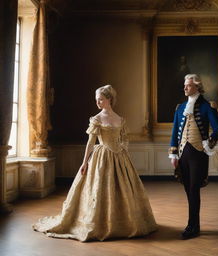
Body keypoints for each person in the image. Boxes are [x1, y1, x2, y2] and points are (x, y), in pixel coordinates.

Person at [33, 85, 157, 242]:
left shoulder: (120, 119)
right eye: (96, 100)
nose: (97, 102)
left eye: (100, 99)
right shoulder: (96, 119)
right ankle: (97, 223)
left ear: (109, 100)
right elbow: (90, 143)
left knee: (123, 190)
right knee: (98, 190)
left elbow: (125, 138)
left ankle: (124, 223)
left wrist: (122, 149)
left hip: (119, 157)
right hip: (101, 158)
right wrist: (84, 163)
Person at [169, 74, 218, 240]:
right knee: (187, 188)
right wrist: (173, 153)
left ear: (197, 87)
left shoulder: (207, 106)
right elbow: (174, 132)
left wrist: (209, 143)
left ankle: (192, 226)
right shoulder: (180, 107)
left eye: (189, 85)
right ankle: (194, 224)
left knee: (193, 189)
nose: (185, 88)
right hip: (183, 153)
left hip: (198, 153)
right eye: (185, 85)